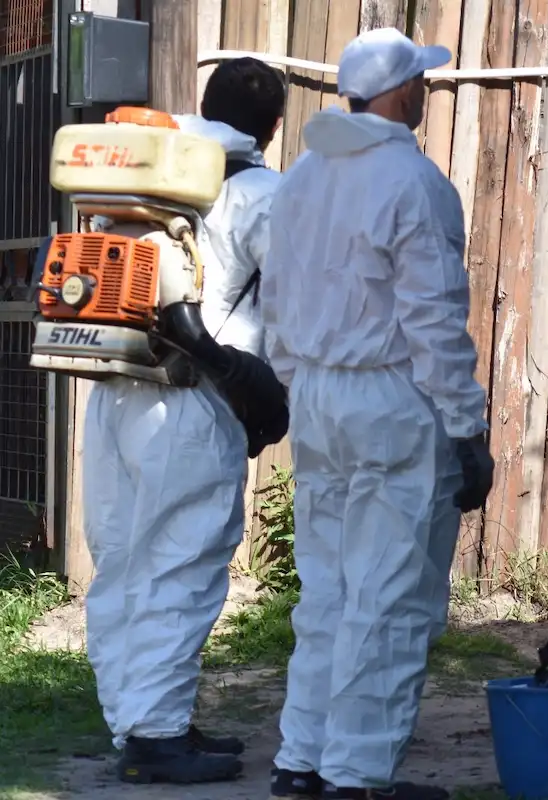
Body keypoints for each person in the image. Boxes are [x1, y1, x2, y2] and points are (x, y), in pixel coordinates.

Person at [260, 27, 493, 800]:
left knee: (327, 588)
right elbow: (434, 320)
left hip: (318, 397)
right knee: (389, 593)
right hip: (393, 397)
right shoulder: (415, 182)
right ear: (402, 92)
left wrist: (299, 385)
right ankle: (357, 775)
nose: (426, 91)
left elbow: (276, 301)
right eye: (421, 81)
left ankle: (302, 760)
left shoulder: (300, 178)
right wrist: (466, 427)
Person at [82, 56, 288, 784]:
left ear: (204, 105)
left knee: (123, 562)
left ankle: (139, 721)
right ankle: (156, 736)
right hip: (195, 396)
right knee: (183, 563)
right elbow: (297, 299)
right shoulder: (263, 192)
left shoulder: (139, 177)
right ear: (273, 126)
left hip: (115, 385)